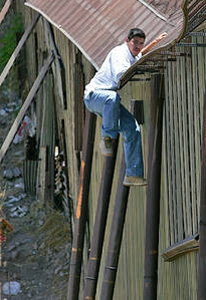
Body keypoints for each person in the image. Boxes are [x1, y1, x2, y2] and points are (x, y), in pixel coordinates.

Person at [83, 28, 167, 186]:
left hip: (109, 103)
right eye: (135, 43)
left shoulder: (132, 54)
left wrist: (154, 44)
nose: (138, 47)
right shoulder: (119, 53)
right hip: (95, 97)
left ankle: (133, 174)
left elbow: (138, 55)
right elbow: (120, 75)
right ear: (126, 41)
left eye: (141, 44)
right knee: (112, 97)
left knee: (132, 128)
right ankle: (107, 137)